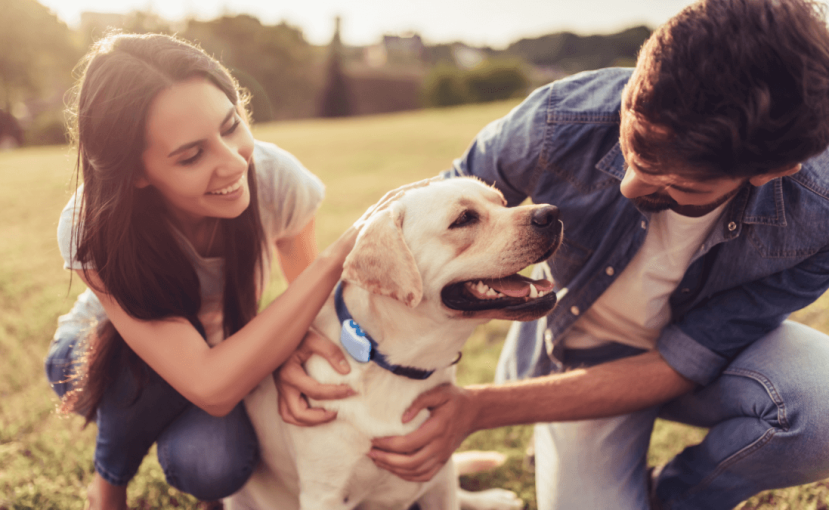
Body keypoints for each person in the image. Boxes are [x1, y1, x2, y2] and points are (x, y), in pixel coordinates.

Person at [275, 0, 829, 508]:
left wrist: (479, 409)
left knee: (823, 408)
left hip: (705, 360)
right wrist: (305, 335)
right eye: (634, 141)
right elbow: (421, 216)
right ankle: (544, 377)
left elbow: (684, 361)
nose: (631, 185)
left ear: (771, 171)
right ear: (641, 76)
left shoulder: (818, 214)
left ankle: (675, 497)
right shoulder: (562, 118)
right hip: (576, 344)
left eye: (674, 183)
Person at [44, 32, 415, 510]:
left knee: (213, 461)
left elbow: (313, 314)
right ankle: (107, 488)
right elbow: (211, 386)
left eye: (231, 125)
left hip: (216, 351)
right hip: (98, 355)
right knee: (148, 372)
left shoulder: (276, 177)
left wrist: (290, 362)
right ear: (136, 172)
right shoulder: (90, 225)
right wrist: (338, 254)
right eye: (192, 155)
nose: (234, 162)